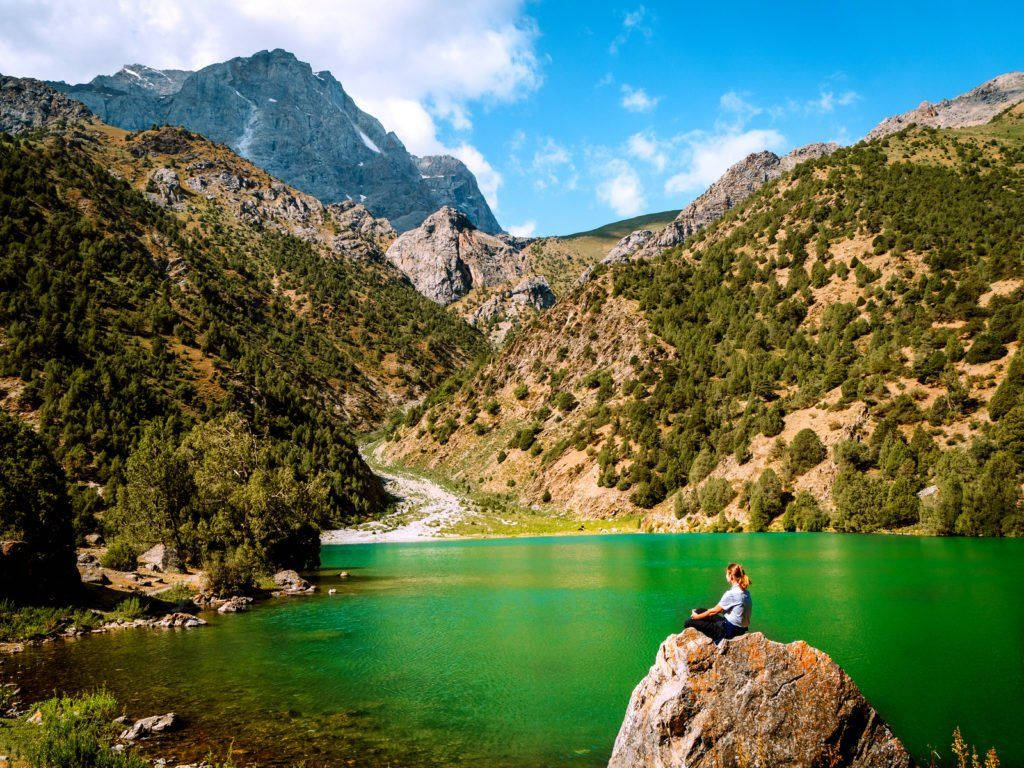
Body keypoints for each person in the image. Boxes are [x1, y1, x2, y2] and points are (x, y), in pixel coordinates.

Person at [684, 562, 752, 643]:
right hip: (739, 628)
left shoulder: (731, 594)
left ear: (731, 576)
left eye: (726, 574)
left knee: (688, 622)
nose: (725, 576)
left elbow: (713, 612)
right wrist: (700, 614)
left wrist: (696, 617)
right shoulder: (745, 592)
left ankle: (712, 642)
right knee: (699, 610)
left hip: (728, 631)